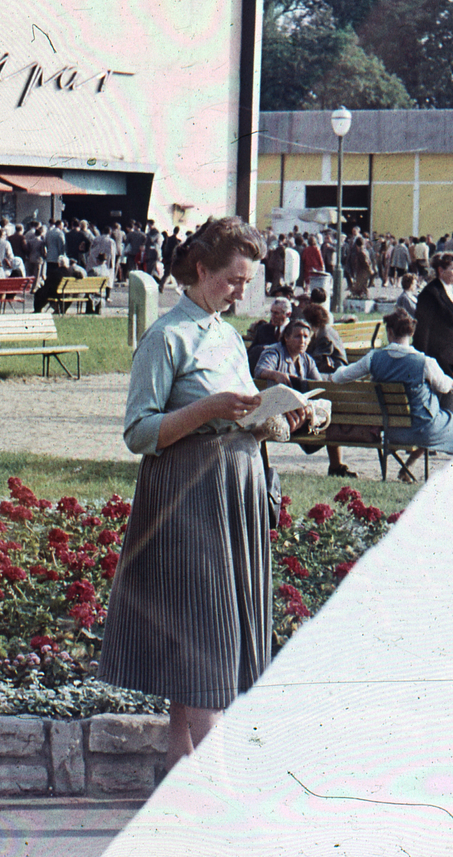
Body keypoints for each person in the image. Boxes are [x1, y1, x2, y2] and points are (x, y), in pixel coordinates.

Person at [100, 216, 287, 772]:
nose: (241, 291)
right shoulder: (166, 336)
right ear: (201, 269)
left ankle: (180, 774)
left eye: (247, 281)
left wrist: (279, 416)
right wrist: (208, 409)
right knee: (208, 636)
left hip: (236, 492)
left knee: (203, 634)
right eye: (233, 279)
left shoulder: (226, 334)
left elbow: (246, 407)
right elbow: (138, 433)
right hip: (188, 498)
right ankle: (215, 786)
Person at [331, 309, 453, 482]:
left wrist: (334, 371)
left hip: (393, 430)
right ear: (412, 332)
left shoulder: (373, 358)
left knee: (430, 412)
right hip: (424, 429)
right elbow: (444, 387)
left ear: (389, 331)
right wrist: (451, 381)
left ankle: (408, 467)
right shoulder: (425, 362)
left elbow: (340, 377)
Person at [255, 317, 352, 477]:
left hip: (297, 413)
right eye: (297, 336)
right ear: (286, 337)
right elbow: (260, 370)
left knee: (325, 409)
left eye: (306, 337)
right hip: (275, 413)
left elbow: (318, 384)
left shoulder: (306, 359)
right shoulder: (274, 352)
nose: (303, 340)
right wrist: (275, 374)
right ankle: (335, 465)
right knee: (323, 415)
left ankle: (336, 466)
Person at [413, 253, 453, 378]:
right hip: (435, 358)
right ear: (441, 270)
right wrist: (423, 360)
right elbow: (422, 330)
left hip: (450, 356)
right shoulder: (430, 293)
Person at [245, 296, 292, 370]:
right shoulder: (263, 329)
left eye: (276, 313)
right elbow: (251, 352)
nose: (272, 316)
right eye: (271, 312)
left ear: (288, 314)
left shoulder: (294, 331)